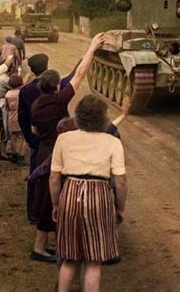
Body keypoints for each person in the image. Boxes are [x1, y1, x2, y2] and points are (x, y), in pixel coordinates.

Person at [30, 33, 105, 263]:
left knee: (44, 198)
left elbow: (33, 131)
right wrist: (92, 47)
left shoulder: (36, 103)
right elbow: (80, 75)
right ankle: (42, 248)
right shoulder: (59, 100)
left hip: (42, 150)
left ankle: (44, 245)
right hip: (57, 153)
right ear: (55, 86)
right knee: (57, 199)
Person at [49, 95, 128, 292]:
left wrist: (56, 204)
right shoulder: (112, 142)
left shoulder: (64, 139)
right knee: (94, 261)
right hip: (99, 195)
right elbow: (120, 181)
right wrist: (120, 208)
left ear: (78, 116)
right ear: (103, 118)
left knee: (70, 258)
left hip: (70, 192)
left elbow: (53, 177)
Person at [18, 53, 50, 222]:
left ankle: (32, 212)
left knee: (34, 174)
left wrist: (29, 138)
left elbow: (21, 118)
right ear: (47, 67)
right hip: (53, 138)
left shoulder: (25, 90)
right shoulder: (55, 87)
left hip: (36, 137)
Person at [5, 74, 26, 166]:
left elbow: (7, 107)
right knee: (24, 137)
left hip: (11, 116)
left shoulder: (8, 94)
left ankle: (14, 154)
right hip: (21, 115)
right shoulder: (21, 93)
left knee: (13, 136)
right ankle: (22, 155)